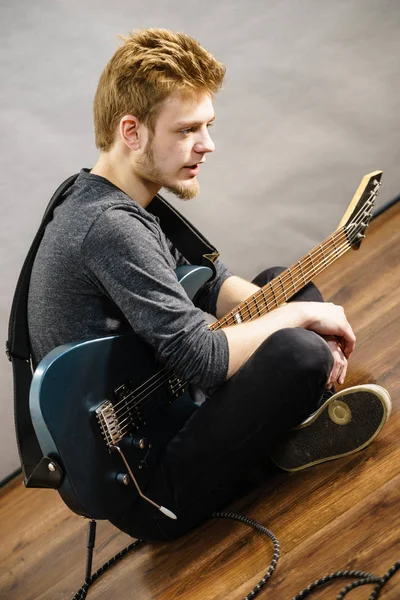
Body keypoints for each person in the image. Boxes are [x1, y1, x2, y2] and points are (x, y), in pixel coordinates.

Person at [27, 28, 391, 541]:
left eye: (208, 125)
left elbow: (211, 283)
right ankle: (281, 438)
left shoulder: (121, 199)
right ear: (131, 132)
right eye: (187, 130)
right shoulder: (108, 227)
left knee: (281, 287)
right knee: (300, 350)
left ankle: (281, 428)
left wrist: (291, 306)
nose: (208, 144)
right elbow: (204, 359)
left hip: (170, 404)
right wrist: (303, 321)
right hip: (152, 490)